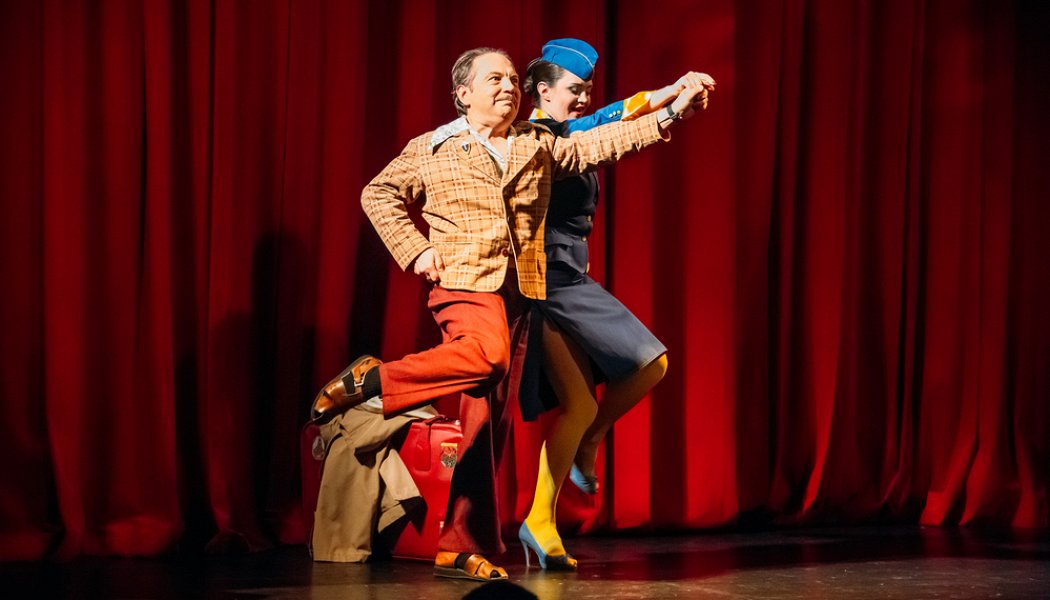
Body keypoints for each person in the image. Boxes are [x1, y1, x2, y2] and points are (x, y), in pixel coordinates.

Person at [312, 47, 709, 581]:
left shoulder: (533, 142)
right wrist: (416, 250)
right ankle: (373, 379)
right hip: (464, 282)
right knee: (486, 357)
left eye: (510, 78)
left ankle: (461, 544)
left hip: (520, 291)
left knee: (486, 422)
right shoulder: (433, 147)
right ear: (463, 94)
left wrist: (670, 114)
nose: (506, 86)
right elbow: (378, 193)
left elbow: (600, 142)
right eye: (493, 79)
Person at [517, 39, 715, 570]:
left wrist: (672, 90)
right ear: (543, 91)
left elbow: (613, 113)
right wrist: (672, 108)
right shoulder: (534, 139)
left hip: (564, 277)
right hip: (550, 279)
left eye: (587, 89)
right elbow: (606, 129)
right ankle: (591, 441)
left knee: (580, 405)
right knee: (651, 362)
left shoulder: (568, 129)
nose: (584, 97)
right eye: (574, 89)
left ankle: (539, 519)